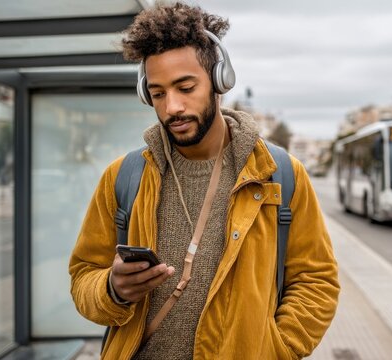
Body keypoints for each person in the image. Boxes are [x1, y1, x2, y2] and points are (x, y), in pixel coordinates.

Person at [69, 2, 339, 359]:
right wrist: (112, 289)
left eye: (185, 87)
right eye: (158, 93)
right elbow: (83, 276)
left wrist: (277, 348)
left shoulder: (279, 173)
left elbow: (315, 281)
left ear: (219, 81)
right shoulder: (124, 177)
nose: (172, 107)